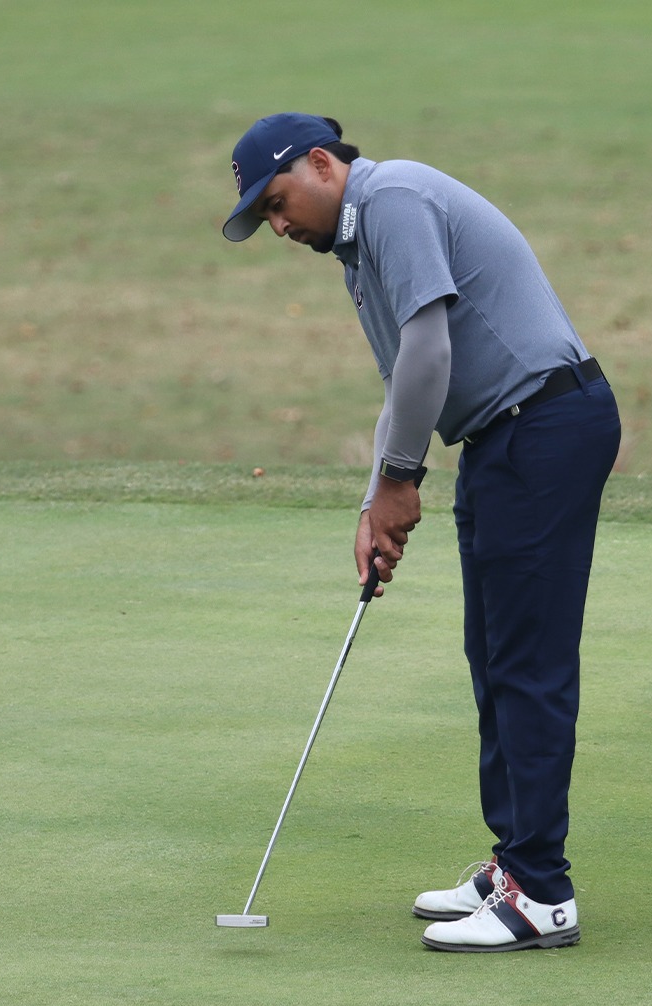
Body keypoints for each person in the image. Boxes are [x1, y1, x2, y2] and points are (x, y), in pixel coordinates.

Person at [221, 113, 620, 952]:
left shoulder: (393, 199)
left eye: (279, 202)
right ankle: (516, 861)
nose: (280, 225)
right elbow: (405, 380)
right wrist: (376, 501)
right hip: (502, 437)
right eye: (264, 218)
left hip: (544, 425)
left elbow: (430, 351)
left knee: (529, 661)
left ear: (322, 164)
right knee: (494, 653)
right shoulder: (360, 249)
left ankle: (542, 893)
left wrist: (402, 481)